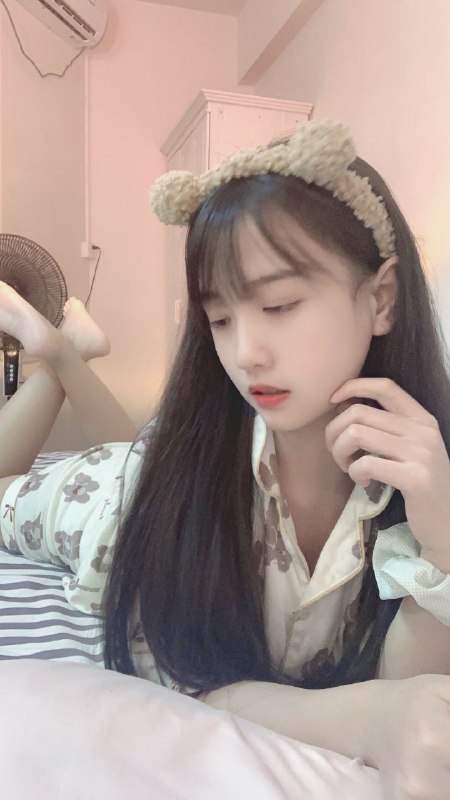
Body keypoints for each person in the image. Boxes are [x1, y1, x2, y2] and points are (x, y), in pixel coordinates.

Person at [1, 119, 450, 799]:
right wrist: (369, 718)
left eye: (279, 304)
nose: (245, 354)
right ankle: (63, 351)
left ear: (381, 298)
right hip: (107, 502)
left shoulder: (418, 470)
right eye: (219, 318)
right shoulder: (175, 481)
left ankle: (69, 349)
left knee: (143, 452)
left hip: (143, 469)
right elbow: (189, 681)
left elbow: (410, 689)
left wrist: (443, 545)